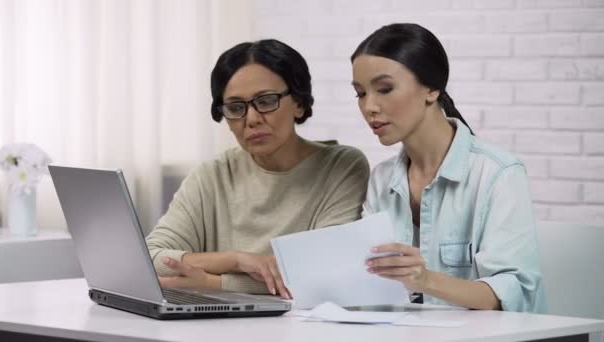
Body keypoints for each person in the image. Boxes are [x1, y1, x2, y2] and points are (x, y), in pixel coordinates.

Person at [146, 39, 370, 299]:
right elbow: (150, 258)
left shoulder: (342, 167)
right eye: (235, 108)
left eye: (265, 101)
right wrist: (237, 260)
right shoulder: (213, 175)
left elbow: (324, 272)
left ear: (298, 102)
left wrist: (212, 282)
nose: (251, 119)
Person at [351, 23, 545, 312]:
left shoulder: (498, 173)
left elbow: (514, 293)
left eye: (384, 89)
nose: (370, 107)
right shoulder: (381, 178)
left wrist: (425, 279)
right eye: (360, 93)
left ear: (431, 88)